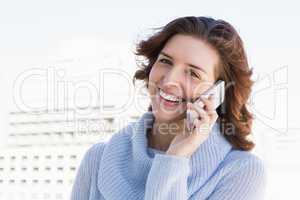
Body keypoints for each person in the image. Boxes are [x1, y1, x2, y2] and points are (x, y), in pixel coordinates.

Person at [70, 16, 266, 200]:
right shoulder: (99, 158)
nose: (170, 79)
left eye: (193, 73)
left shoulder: (241, 172)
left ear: (217, 93)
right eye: (165, 61)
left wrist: (174, 159)